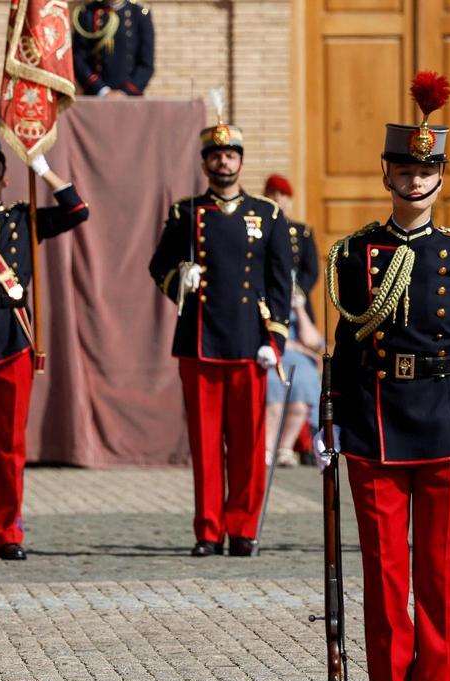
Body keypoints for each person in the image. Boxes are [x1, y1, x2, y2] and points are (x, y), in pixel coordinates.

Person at [322, 71, 450, 681]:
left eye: (428, 168)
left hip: (446, 429)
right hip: (374, 427)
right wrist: (331, 420)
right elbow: (346, 344)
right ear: (388, 175)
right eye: (406, 168)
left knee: (441, 583)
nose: (417, 179)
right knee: (384, 583)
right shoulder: (359, 252)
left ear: (440, 176)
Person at [148, 103, 292, 557]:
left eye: (231, 155)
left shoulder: (267, 215)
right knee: (206, 446)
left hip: (250, 344)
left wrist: (276, 340)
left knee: (248, 446)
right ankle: (208, 531)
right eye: (216, 155)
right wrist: (180, 279)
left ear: (241, 161)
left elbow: (279, 284)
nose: (223, 162)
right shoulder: (185, 212)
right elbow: (158, 266)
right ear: (205, 162)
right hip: (200, 341)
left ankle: (243, 529)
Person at [0, 99, 89, 561]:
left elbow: (77, 210)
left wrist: (43, 167)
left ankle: (7, 530)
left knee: (9, 446)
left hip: (13, 342)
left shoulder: (24, 219)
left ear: (7, 175)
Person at [264, 286, 323, 467]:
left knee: (305, 381)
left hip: (298, 361)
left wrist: (299, 309)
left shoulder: (297, 311)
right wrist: (297, 347)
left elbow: (314, 342)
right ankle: (267, 449)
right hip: (274, 355)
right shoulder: (267, 303)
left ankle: (286, 449)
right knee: (274, 385)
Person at [262, 173, 319, 318]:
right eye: (272, 193)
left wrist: (298, 291)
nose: (277, 198)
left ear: (288, 199)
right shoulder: (257, 229)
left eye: (282, 194)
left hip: (296, 302)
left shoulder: (302, 232)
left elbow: (311, 270)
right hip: (266, 300)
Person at [72, 0, 154, 97]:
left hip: (130, 97)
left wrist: (126, 93)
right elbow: (78, 59)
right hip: (96, 95)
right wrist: (103, 91)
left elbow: (146, 63)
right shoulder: (87, 13)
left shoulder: (139, 14)